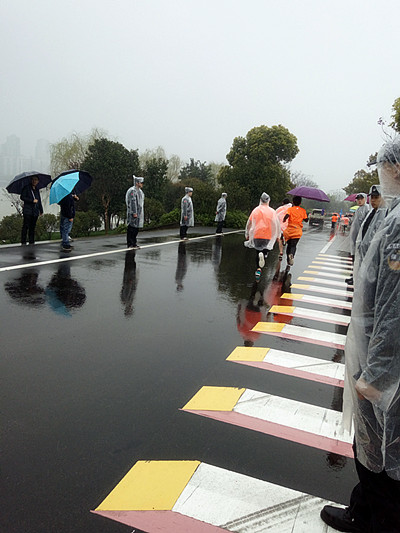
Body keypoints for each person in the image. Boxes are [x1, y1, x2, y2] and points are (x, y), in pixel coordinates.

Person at [320, 136, 400, 533]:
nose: (380, 175)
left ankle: (372, 518)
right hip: (377, 352)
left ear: (396, 168)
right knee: (376, 451)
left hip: (381, 360)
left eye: (383, 166)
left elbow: (394, 307)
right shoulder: (394, 215)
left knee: (380, 453)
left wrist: (377, 374)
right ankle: (365, 511)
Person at [244, 192, 280, 282]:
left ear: (260, 200)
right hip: (267, 235)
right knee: (265, 250)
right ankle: (263, 257)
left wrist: (247, 234)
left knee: (258, 251)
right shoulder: (272, 211)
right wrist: (277, 236)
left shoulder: (256, 210)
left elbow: (249, 223)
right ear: (269, 201)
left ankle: (258, 269)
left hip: (257, 234)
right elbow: (276, 225)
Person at [352, 184, 386, 281]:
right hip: (364, 253)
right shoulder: (372, 213)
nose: (373, 200)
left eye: (376, 197)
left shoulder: (382, 214)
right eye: (372, 197)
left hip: (373, 258)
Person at [346, 193, 371, 284]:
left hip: (361, 239)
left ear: (365, 199)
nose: (359, 200)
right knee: (354, 258)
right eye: (358, 199)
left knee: (359, 259)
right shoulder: (358, 209)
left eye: (361, 199)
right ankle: (353, 276)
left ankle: (357, 278)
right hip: (354, 238)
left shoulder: (367, 209)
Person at [282, 196, 308, 266]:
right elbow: (306, 220)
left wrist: (284, 220)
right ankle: (292, 255)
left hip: (290, 230)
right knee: (293, 245)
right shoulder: (303, 211)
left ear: (293, 202)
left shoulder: (290, 209)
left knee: (289, 245)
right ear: (300, 203)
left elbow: (287, 216)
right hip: (297, 231)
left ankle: (288, 259)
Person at [20, 175, 43, 245]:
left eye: (36, 180)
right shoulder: (27, 188)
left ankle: (31, 241)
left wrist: (41, 210)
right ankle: (23, 241)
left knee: (32, 227)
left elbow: (39, 200)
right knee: (26, 226)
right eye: (33, 180)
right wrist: (31, 200)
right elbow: (22, 197)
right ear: (31, 180)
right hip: (28, 210)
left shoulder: (37, 189)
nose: (34, 181)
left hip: (35, 211)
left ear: (38, 181)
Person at [126, 176, 144, 249]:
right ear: (137, 183)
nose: (142, 184)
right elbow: (132, 202)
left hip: (138, 213)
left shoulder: (140, 192)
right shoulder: (132, 191)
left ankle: (134, 243)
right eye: (141, 182)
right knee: (131, 228)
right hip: (133, 213)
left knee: (136, 229)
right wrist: (134, 212)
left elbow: (140, 203)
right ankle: (130, 243)